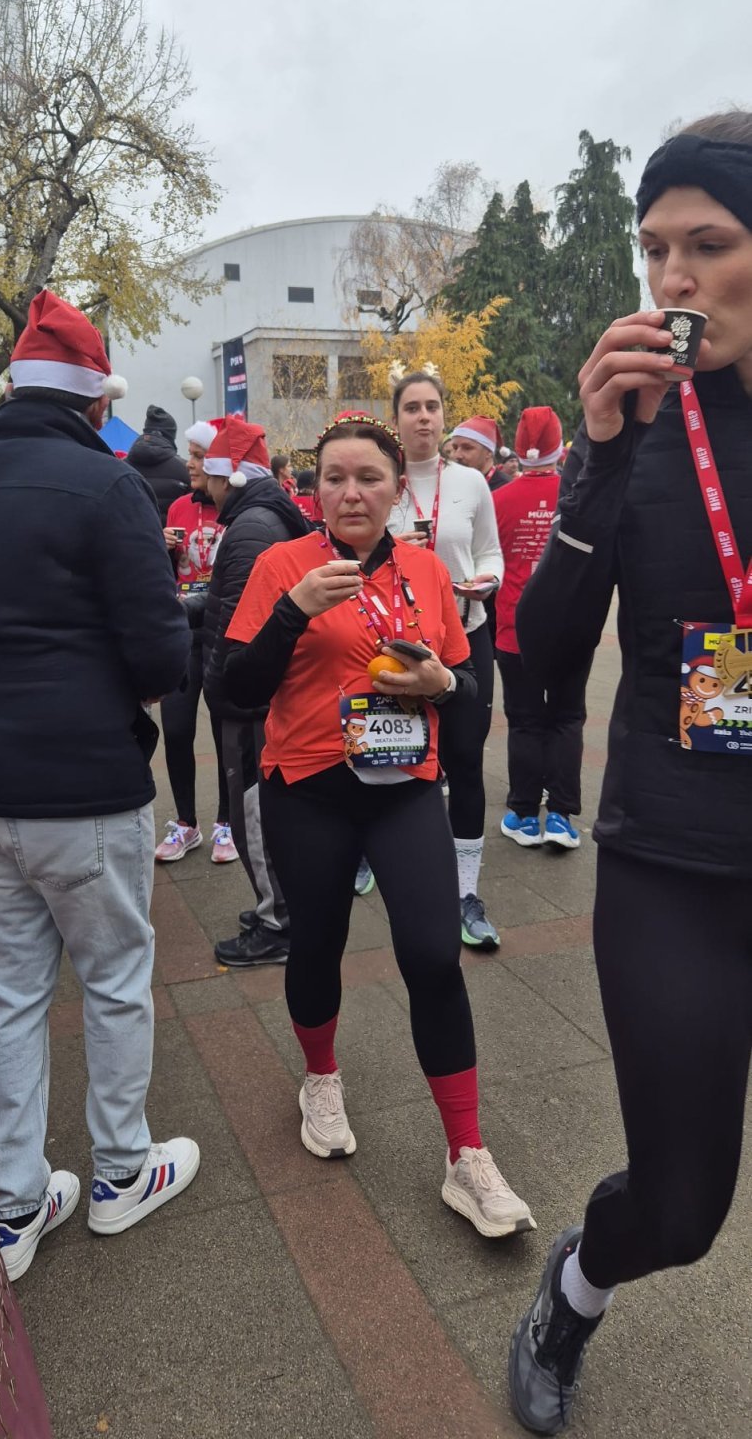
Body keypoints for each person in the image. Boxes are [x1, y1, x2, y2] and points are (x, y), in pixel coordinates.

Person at [509, 115, 752, 1433]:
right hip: (675, 862)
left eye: (708, 246)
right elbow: (540, 668)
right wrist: (595, 464)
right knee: (682, 1205)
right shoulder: (642, 430)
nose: (673, 278)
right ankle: (577, 1288)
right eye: (655, 247)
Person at [0, 290, 198, 1281]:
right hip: (85, 787)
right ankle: (120, 1172)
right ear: (90, 398)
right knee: (115, 979)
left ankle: (15, 1205)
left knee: (11, 995)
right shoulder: (108, 488)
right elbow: (162, 653)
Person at [223, 411, 535, 1237]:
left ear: (400, 487)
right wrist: (291, 611)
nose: (351, 492)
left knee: (434, 954)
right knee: (317, 944)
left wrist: (438, 686)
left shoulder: (429, 573)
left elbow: (465, 708)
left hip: (402, 789)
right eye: (334, 478)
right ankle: (320, 1076)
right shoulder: (282, 565)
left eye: (369, 477)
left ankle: (466, 1155)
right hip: (308, 790)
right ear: (312, 487)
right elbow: (234, 692)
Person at [388, 373, 504, 948]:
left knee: (463, 758)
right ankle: (376, 854)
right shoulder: (382, 482)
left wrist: (489, 579)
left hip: (467, 635)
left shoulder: (471, 483)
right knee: (393, 756)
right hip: (398, 646)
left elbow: (490, 550)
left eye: (433, 406)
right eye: (412, 407)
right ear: (398, 418)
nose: (424, 418)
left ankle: (464, 891)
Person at [189, 415, 309, 967]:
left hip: (250, 705)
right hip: (259, 700)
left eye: (208, 468)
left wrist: (222, 694)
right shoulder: (259, 519)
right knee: (258, 815)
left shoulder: (250, 529)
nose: (200, 477)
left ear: (230, 475)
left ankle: (277, 923)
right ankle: (278, 907)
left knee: (251, 817)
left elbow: (237, 628)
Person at [493, 407, 589, 851]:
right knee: (568, 718)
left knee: (526, 722)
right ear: (558, 446)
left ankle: (525, 814)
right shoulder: (579, 495)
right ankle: (563, 818)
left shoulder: (500, 499)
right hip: (572, 624)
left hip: (515, 627)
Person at [155, 417, 237, 865]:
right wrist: (160, 546)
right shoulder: (177, 508)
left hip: (221, 630)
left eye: (199, 455)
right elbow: (164, 575)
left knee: (225, 731)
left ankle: (227, 821)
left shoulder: (235, 507)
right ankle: (187, 823)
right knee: (177, 729)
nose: (189, 464)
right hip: (183, 632)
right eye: (189, 454)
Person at [126, 404, 191, 514]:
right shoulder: (187, 470)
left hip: (131, 531)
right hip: (175, 530)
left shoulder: (121, 467)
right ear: (171, 436)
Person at [447, 414, 509, 491]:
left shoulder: (505, 489)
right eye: (455, 448)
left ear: (489, 452)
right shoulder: (450, 484)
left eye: (467, 448)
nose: (457, 455)